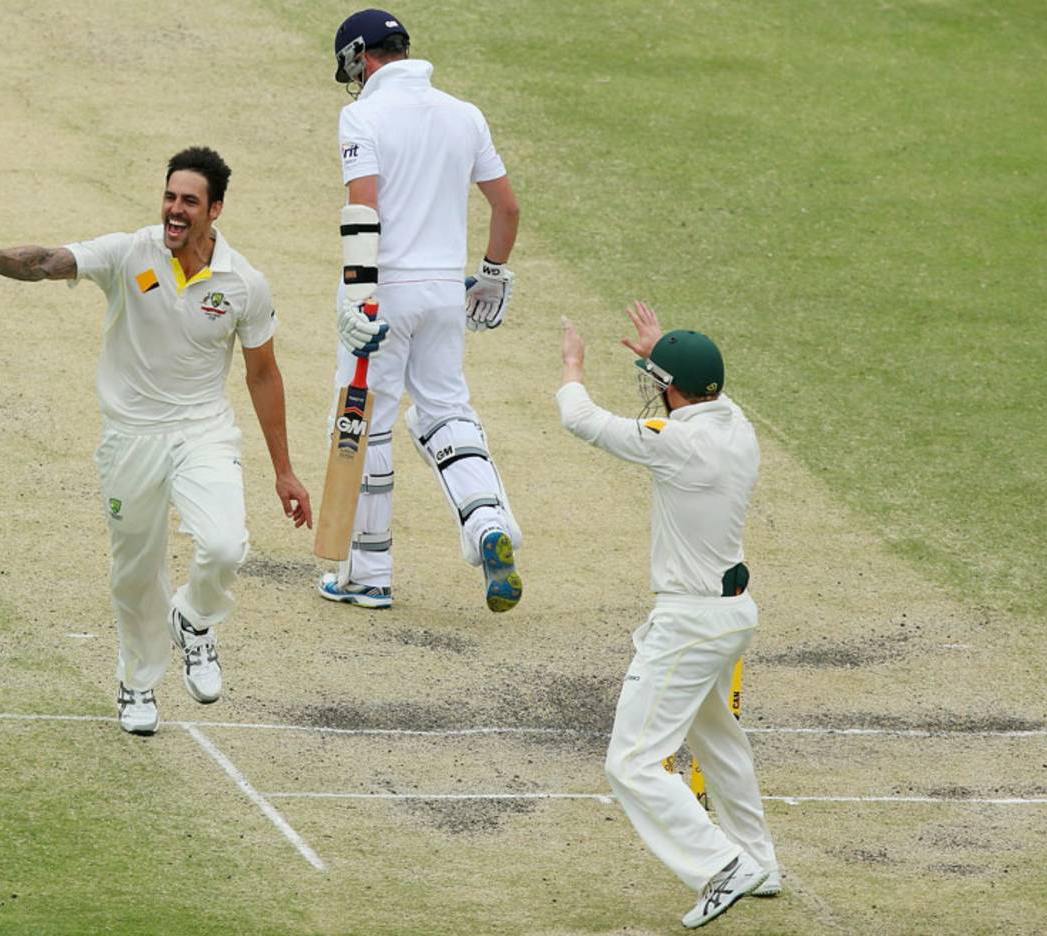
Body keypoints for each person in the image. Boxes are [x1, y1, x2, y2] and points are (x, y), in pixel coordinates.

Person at [0, 147, 312, 736]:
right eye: (170, 197)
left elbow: (263, 375)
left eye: (189, 201)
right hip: (131, 438)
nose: (174, 210)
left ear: (214, 210)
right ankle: (139, 685)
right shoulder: (128, 253)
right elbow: (47, 261)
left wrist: (284, 471)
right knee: (135, 574)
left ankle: (193, 620)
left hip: (203, 433)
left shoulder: (244, 283)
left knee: (223, 545)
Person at [556, 303, 780, 929]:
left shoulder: (675, 444)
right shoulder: (738, 424)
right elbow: (695, 390)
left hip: (689, 625)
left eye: (660, 382)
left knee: (629, 763)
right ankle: (759, 860)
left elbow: (582, 420)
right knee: (718, 740)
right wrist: (665, 355)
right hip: (731, 615)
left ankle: (723, 865)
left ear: (673, 389)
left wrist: (574, 367)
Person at [320, 8, 524, 612]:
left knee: (367, 422)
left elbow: (364, 211)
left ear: (361, 57)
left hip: (383, 289)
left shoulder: (361, 115)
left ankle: (369, 575)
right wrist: (490, 275)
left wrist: (360, 297)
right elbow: (507, 208)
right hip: (442, 295)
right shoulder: (466, 115)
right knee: (446, 412)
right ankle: (488, 525)